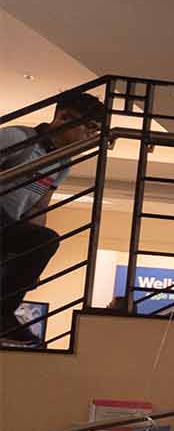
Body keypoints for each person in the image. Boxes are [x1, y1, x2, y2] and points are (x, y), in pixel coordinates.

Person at [2, 90, 101, 346]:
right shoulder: (17, 138)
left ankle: (3, 314)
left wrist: (31, 257)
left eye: (96, 131)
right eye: (89, 127)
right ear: (64, 117)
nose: (91, 136)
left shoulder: (62, 162)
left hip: (7, 223)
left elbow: (38, 209)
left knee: (43, 240)